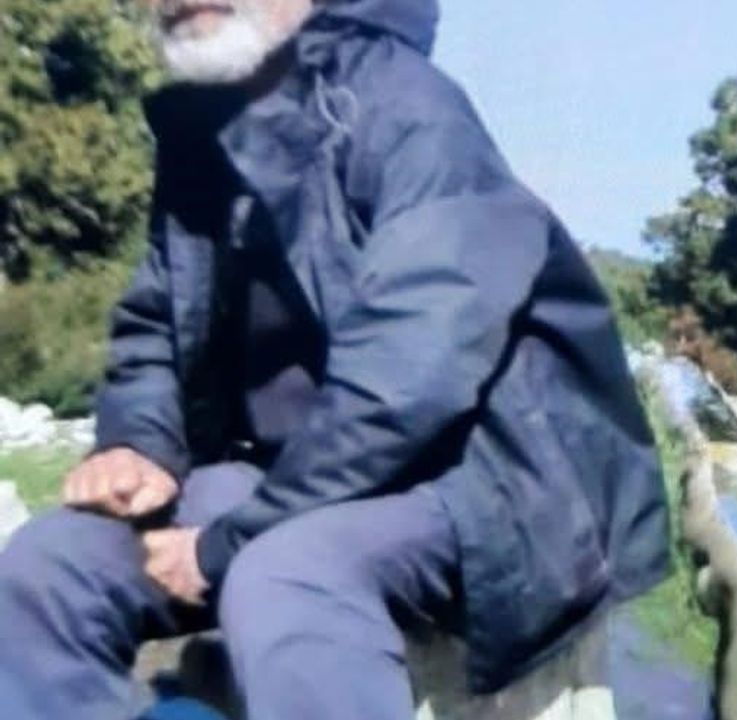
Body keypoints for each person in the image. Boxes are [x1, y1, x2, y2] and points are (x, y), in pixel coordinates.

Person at [0, 0, 670, 718]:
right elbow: (158, 319)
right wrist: (140, 443)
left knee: (286, 576)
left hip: (480, 480)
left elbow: (411, 376)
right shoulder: (200, 133)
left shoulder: (407, 110)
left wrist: (228, 543)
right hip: (292, 477)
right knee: (51, 567)